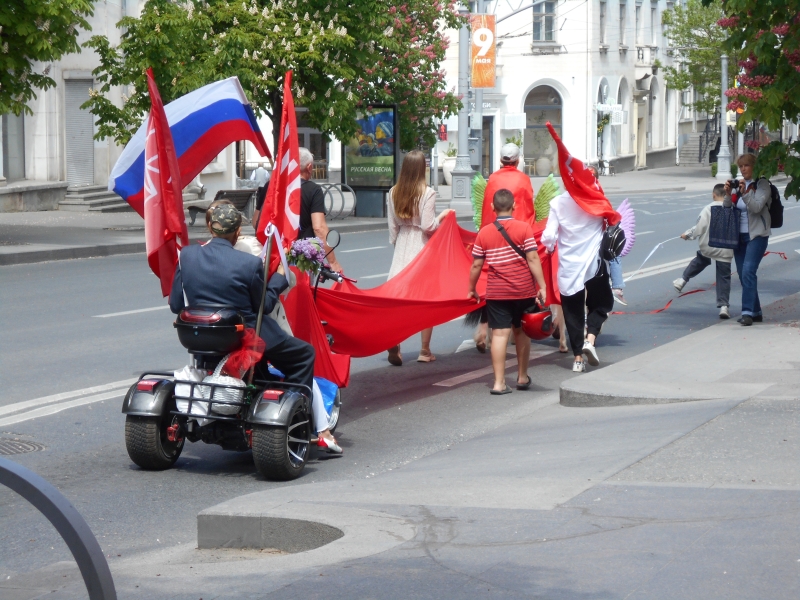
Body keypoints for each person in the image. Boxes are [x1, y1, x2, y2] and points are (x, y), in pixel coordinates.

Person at [169, 202, 342, 454]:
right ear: (238, 231)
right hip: (245, 336)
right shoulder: (247, 265)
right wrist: (280, 276)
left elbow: (176, 304)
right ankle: (297, 417)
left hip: (198, 336)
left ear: (210, 227)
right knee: (304, 354)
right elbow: (264, 305)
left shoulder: (186, 256)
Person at [468, 188, 547, 394]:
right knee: (521, 333)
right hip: (524, 291)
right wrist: (543, 286)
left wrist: (472, 289)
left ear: (493, 207)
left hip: (497, 293)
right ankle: (521, 377)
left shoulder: (484, 232)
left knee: (500, 335)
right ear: (514, 206)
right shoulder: (524, 229)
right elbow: (532, 258)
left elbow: (476, 265)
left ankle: (498, 383)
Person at [385, 150, 454, 366]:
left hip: (403, 243)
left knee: (399, 298)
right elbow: (428, 226)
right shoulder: (428, 193)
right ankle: (424, 350)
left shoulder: (393, 192)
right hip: (422, 247)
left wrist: (398, 245)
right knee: (425, 299)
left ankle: (395, 339)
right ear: (421, 169)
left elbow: (393, 227)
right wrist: (443, 216)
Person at [541, 188, 613, 373]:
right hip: (593, 265)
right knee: (601, 304)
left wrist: (549, 247)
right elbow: (612, 220)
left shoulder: (557, 202)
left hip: (569, 268)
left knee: (573, 312)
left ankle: (578, 359)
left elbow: (549, 236)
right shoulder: (597, 200)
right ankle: (590, 340)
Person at [473, 142, 537, 351]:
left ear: (501, 161)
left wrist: (484, 236)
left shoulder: (492, 179)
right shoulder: (524, 179)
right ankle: (516, 330)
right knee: (520, 287)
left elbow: (485, 211)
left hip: (494, 236)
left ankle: (485, 330)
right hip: (519, 238)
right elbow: (529, 211)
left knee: (491, 283)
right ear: (518, 161)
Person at [723, 154, 772, 326]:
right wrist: (729, 194)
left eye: (746, 166)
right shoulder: (739, 185)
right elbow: (727, 208)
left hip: (757, 235)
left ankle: (747, 313)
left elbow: (757, 207)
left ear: (754, 167)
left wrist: (745, 193)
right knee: (744, 276)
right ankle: (756, 311)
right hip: (739, 237)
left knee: (748, 271)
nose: (743, 169)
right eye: (741, 166)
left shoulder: (762, 184)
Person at [673, 183, 733, 319]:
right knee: (724, 276)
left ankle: (683, 280)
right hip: (726, 248)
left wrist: (688, 235)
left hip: (709, 246)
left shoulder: (708, 209)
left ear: (713, 195)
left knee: (701, 259)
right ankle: (724, 306)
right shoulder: (731, 208)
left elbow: (699, 227)